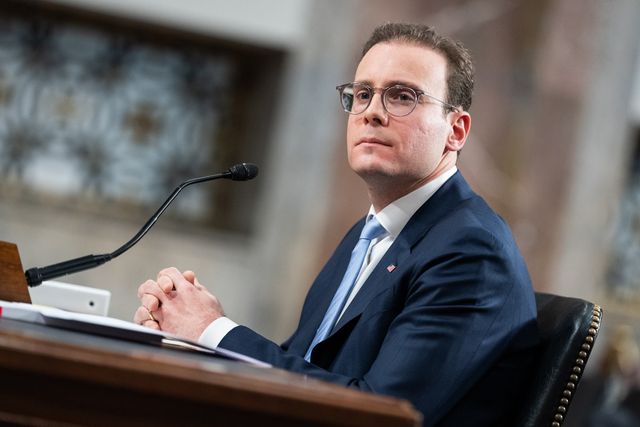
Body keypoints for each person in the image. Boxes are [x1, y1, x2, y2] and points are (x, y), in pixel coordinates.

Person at [134, 23, 539, 426]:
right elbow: (301, 367)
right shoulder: (367, 235)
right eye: (362, 94)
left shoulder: (472, 251)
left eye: (402, 96)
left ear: (456, 130)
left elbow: (379, 413)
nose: (372, 113)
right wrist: (192, 341)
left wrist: (214, 330)